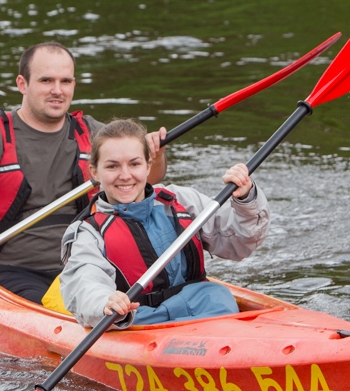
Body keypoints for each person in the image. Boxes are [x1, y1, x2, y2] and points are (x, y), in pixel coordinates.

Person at [0, 42, 167, 303]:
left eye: (66, 81)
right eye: (46, 81)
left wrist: (156, 154)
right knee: (69, 308)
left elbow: (147, 180)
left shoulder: (93, 134)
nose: (57, 91)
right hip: (14, 271)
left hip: (90, 264)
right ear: (22, 84)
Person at [58, 118, 270, 329]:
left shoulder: (182, 201)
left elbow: (240, 243)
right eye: (112, 166)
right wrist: (104, 302)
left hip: (206, 307)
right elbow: (83, 283)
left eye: (134, 164)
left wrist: (246, 199)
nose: (125, 175)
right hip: (139, 322)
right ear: (95, 172)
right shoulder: (87, 232)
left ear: (148, 166)